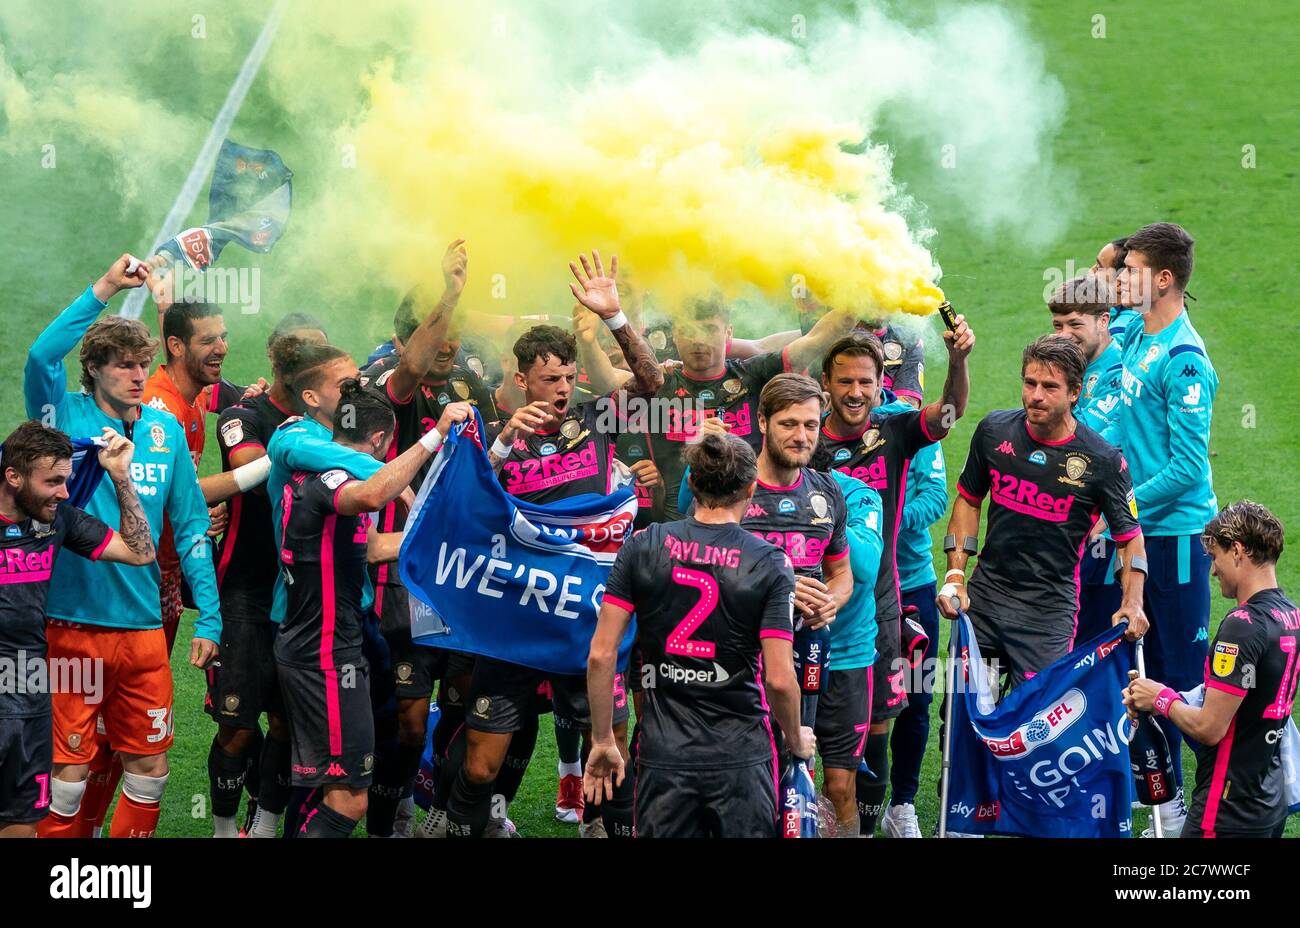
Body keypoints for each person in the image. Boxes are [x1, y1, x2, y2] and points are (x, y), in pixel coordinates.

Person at [443, 251, 662, 840]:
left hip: (587, 618)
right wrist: (502, 446)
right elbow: (464, 511)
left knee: (606, 750)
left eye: (568, 377)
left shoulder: (597, 418)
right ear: (519, 381)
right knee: (481, 763)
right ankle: (458, 823)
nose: (563, 389)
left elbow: (652, 383)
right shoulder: (491, 437)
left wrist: (615, 319)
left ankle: (607, 828)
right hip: (515, 616)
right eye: (549, 379)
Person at [24, 254, 222, 839]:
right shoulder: (62, 417)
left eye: (143, 364)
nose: (138, 376)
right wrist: (107, 285)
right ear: (94, 371)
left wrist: (208, 617)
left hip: (141, 630)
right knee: (69, 772)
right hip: (71, 623)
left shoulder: (163, 432)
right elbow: (40, 355)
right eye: (123, 366)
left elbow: (189, 528)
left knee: (150, 769)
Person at [583, 432, 813, 837]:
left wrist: (603, 740)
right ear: (752, 488)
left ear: (690, 483)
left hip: (663, 755)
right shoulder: (771, 563)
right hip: (741, 755)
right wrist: (795, 739)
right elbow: (779, 679)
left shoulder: (641, 545)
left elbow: (602, 655)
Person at [277, 380, 467, 837]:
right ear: (381, 440)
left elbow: (375, 545)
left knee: (333, 787)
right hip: (324, 654)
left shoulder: (319, 467)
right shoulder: (335, 481)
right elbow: (369, 496)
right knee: (347, 798)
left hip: (326, 644)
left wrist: (447, 536)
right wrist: (435, 434)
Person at [817, 317, 974, 836]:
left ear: (881, 383)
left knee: (880, 721)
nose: (856, 392)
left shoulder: (896, 429)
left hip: (879, 607)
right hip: (810, 605)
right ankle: (813, 808)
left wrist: (957, 361)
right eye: (845, 381)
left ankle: (866, 825)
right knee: (798, 720)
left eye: (866, 381)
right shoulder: (802, 435)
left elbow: (948, 414)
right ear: (826, 385)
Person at [938, 336, 1149, 694]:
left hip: (1048, 616)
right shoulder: (994, 432)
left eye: (1050, 387)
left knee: (1034, 725)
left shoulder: (1103, 461)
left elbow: (1129, 539)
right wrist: (956, 574)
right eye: (1030, 383)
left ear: (1074, 393)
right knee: (961, 717)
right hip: (985, 601)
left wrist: (1132, 602)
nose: (1035, 395)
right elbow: (969, 500)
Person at [204, 314, 329, 838]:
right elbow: (255, 476)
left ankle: (264, 824)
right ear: (279, 365)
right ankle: (222, 827)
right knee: (236, 725)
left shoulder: (330, 415)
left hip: (305, 592)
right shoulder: (244, 413)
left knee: (286, 721)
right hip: (247, 589)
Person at [0, 422, 156, 838]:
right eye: (52, 482)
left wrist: (121, 476)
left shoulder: (58, 521)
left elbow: (140, 552)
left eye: (66, 481)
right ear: (13, 476)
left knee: (22, 824)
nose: (64, 493)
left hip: (27, 693)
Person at [1113, 221, 1218, 835]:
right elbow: (1104, 261)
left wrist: (1120, 505)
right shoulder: (1133, 329)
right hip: (1138, 533)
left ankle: (1200, 811)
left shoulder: (1183, 360)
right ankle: (1160, 799)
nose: (1118, 279)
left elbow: (1186, 468)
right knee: (1137, 666)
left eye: (1132, 272)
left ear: (1164, 280)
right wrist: (1127, 248)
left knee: (1179, 679)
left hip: (1175, 540)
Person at [1125, 501, 1296, 838]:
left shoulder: (1242, 625)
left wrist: (1160, 699)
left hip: (1225, 810)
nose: (1213, 570)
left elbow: (1210, 729)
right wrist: (1163, 697)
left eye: (1215, 556)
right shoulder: (1291, 617)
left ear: (1238, 551)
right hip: (1268, 802)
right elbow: (1247, 706)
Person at [881, 439, 947, 839]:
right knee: (838, 699)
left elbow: (936, 497)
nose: (858, 392)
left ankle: (902, 803)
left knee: (916, 699)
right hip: (845, 584)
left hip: (912, 584)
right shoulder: (820, 423)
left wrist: (882, 521)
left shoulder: (912, 428)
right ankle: (841, 799)